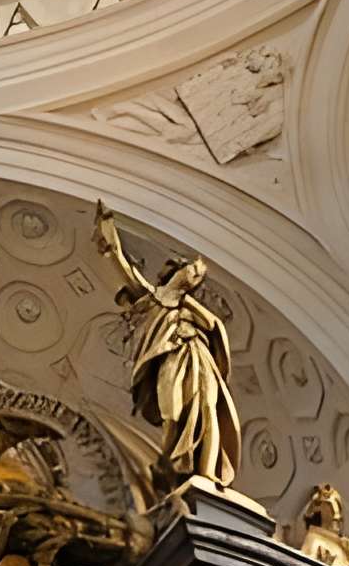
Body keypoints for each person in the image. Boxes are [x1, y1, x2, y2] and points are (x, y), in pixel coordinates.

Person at [95, 203, 244, 493]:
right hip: (171, 361)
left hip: (196, 358)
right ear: (174, 271)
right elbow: (124, 267)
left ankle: (206, 476)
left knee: (206, 412)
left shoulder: (190, 306)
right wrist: (108, 232)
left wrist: (189, 306)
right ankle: (172, 467)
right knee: (173, 412)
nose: (195, 277)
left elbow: (215, 328)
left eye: (197, 276)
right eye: (192, 272)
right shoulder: (154, 297)